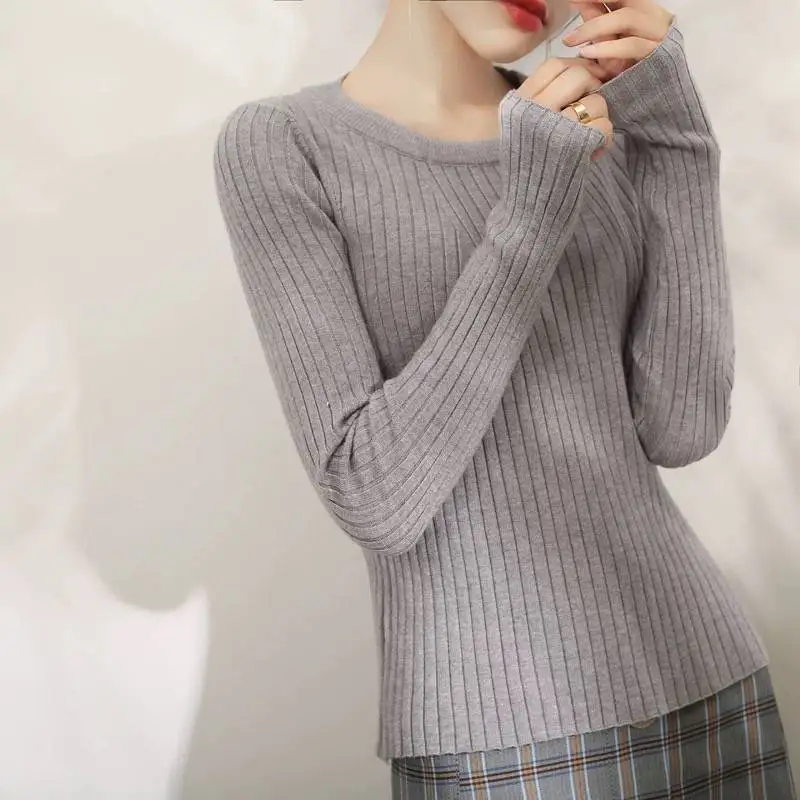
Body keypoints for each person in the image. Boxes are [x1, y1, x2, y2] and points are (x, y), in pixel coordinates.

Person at [212, 0, 797, 795]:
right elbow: (371, 496)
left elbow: (682, 428)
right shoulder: (283, 143)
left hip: (708, 679)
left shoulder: (587, 130)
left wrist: (676, 140)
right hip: (495, 731)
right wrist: (531, 211)